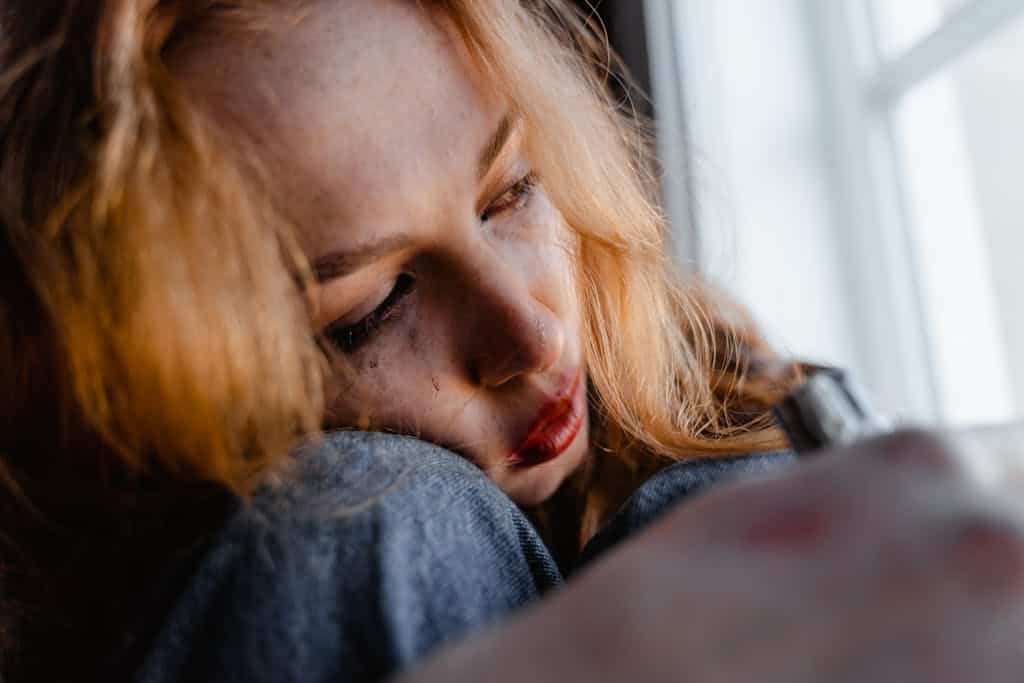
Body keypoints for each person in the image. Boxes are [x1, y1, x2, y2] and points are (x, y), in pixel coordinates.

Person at [3, 1, 1024, 681]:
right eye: (371, 306)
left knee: (706, 500)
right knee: (366, 515)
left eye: (515, 189)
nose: (531, 332)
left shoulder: (733, 394)